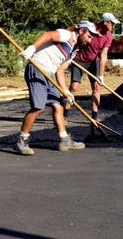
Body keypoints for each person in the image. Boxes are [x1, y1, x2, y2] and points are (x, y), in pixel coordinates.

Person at [14, 21, 98, 156]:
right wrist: (32, 48)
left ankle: (64, 140)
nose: (90, 40)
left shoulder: (73, 51)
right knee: (38, 107)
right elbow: (48, 35)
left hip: (50, 75)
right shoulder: (66, 35)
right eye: (89, 36)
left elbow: (60, 71)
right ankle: (21, 140)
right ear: (82, 31)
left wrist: (66, 91)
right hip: (37, 69)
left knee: (58, 106)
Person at [68, 12, 118, 120]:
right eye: (112, 23)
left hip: (93, 62)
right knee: (73, 87)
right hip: (79, 60)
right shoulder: (90, 28)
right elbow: (74, 30)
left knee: (96, 88)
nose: (114, 26)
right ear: (106, 22)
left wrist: (101, 75)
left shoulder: (109, 36)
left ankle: (94, 117)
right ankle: (64, 114)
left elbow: (103, 55)